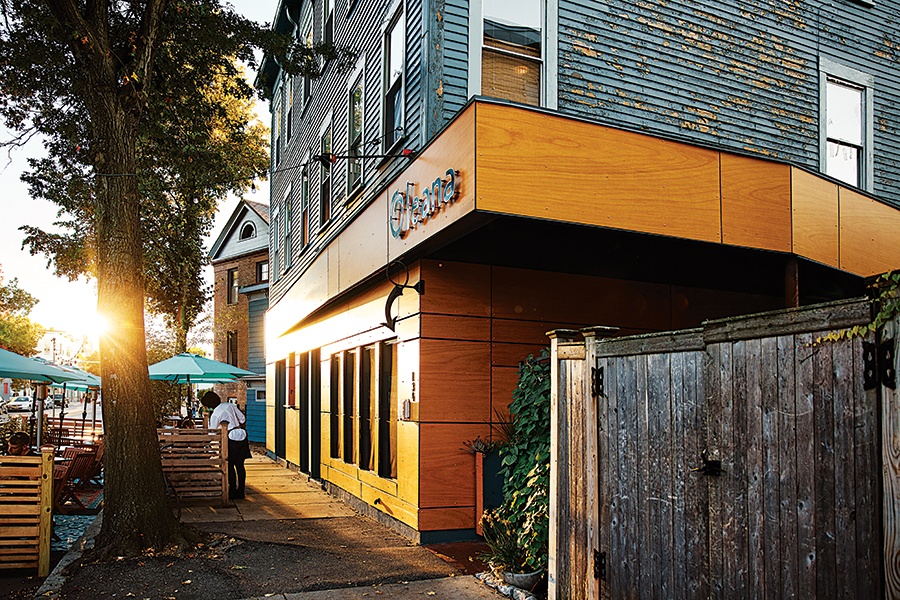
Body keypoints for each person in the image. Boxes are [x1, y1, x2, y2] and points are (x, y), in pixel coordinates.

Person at [200, 391, 251, 499]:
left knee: (230, 465)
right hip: (241, 435)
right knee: (240, 465)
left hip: (230, 438)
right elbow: (242, 418)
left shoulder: (215, 414)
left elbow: (212, 432)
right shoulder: (229, 405)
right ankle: (241, 491)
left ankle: (232, 491)